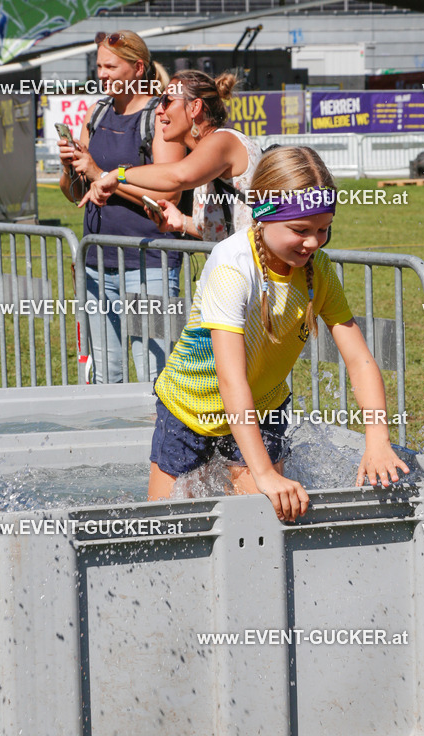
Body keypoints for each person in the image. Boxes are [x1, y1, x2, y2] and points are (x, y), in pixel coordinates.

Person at [146, 146, 410, 521]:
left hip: (264, 405)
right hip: (191, 409)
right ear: (262, 214)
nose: (314, 242)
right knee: (167, 526)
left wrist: (378, 438)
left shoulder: (317, 268)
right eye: (301, 230)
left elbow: (360, 359)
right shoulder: (232, 267)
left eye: (323, 229)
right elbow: (230, 379)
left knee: (267, 521)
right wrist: (265, 473)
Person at [58, 31, 186, 383]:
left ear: (137, 68)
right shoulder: (97, 113)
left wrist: (102, 174)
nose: (101, 74)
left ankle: (156, 440)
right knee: (104, 377)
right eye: (98, 66)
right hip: (97, 263)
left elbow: (170, 198)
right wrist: (71, 166)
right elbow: (73, 194)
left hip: (149, 264)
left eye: (110, 66)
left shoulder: (160, 116)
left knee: (154, 378)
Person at [79, 69, 261, 242]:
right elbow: (229, 227)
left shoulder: (222, 140)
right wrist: (181, 221)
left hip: (253, 271)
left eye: (167, 101)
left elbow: (178, 176)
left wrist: (117, 175)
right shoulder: (208, 149)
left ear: (195, 107)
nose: (158, 110)